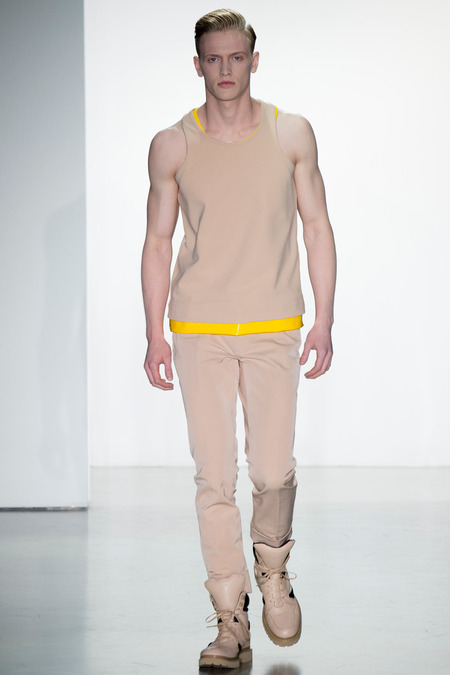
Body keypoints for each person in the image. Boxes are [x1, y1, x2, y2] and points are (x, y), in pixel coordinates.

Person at [141, 8, 336, 669]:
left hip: (274, 324)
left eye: (235, 57)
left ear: (255, 60)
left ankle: (273, 570)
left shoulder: (290, 133)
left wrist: (324, 318)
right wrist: (154, 332)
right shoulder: (173, 145)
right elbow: (158, 240)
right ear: (197, 64)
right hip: (199, 327)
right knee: (214, 477)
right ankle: (231, 618)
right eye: (213, 58)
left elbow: (317, 225)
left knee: (273, 470)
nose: (225, 69)